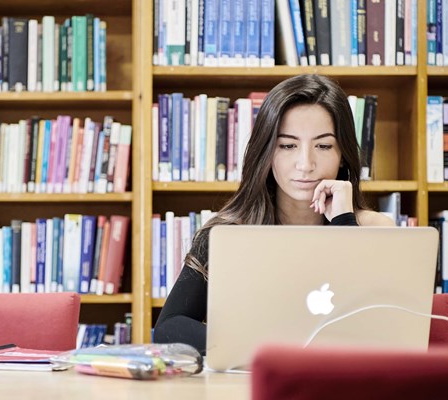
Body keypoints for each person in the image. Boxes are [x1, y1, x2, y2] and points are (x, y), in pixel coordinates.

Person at [153, 74, 394, 354]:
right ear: (266, 152)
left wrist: (344, 222)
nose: (305, 164)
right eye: (288, 145)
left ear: (343, 154)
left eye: (324, 145)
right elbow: (169, 327)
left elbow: (379, 330)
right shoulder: (228, 233)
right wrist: (264, 352)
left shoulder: (377, 230)